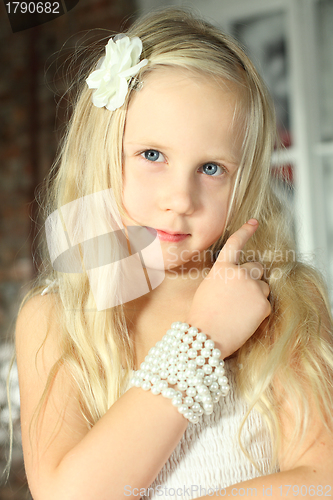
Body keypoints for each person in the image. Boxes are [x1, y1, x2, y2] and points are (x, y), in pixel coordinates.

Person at [12, 7, 333, 500]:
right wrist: (201, 340)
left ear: (243, 180)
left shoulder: (282, 299)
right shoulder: (57, 318)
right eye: (152, 156)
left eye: (211, 168)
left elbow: (322, 479)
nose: (181, 199)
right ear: (103, 151)